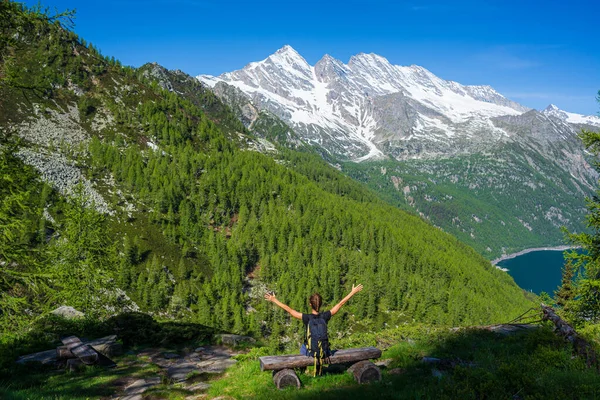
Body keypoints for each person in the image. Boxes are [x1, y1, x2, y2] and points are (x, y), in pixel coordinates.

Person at [264, 284, 364, 357]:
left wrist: (274, 300)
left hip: (311, 353)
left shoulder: (307, 318)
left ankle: (303, 369)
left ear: (310, 304)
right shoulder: (325, 316)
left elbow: (289, 310)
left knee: (303, 347)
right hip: (324, 352)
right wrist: (352, 292)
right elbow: (340, 303)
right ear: (321, 304)